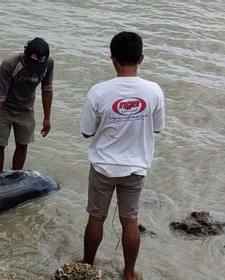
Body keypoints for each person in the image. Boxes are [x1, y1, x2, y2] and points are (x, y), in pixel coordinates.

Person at [80, 31, 165, 280]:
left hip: (103, 166)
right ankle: (129, 273)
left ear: (112, 59)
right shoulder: (154, 91)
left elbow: (86, 132)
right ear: (141, 58)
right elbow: (158, 127)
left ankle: (87, 264)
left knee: (96, 217)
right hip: (135, 168)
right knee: (130, 221)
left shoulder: (98, 92)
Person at [0, 37, 54, 174]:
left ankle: (16, 176)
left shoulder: (48, 63)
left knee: (23, 145)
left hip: (26, 109)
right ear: (25, 53)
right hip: (5, 107)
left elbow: (47, 89)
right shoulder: (9, 63)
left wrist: (47, 118)